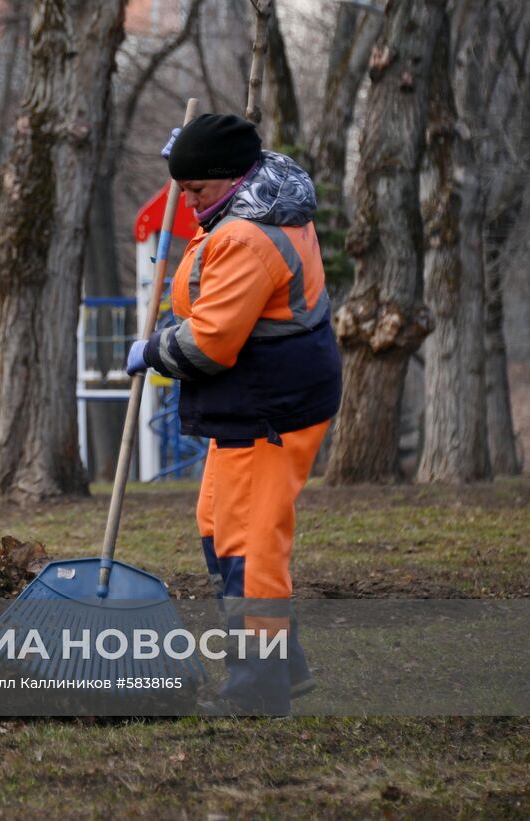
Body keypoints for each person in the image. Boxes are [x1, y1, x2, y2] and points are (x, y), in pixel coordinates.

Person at [126, 113, 342, 715]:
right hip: (253, 400)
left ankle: (258, 689)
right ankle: (285, 666)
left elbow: (211, 344)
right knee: (217, 524)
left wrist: (155, 351)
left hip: (271, 406)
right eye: (183, 189)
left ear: (229, 178)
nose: (188, 202)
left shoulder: (247, 235)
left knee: (250, 546)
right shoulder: (251, 193)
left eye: (196, 189)